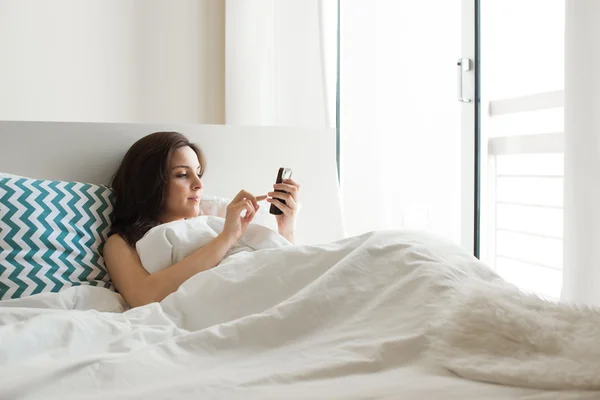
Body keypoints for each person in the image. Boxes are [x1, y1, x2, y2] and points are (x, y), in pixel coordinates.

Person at [103, 131, 301, 308]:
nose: (199, 184)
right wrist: (227, 238)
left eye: (198, 173)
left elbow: (284, 271)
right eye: (182, 174)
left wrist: (286, 229)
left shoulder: (212, 221)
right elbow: (144, 297)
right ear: (148, 183)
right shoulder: (121, 244)